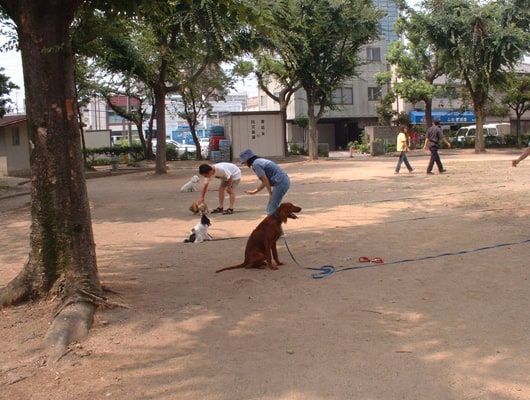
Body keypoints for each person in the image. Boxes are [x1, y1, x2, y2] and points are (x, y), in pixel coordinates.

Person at [239, 148, 290, 215]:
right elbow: (265, 180)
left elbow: (265, 179)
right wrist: (255, 191)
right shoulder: (259, 161)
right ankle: (276, 222)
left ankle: (273, 224)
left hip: (280, 182)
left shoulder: (256, 164)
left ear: (248, 159)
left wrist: (270, 193)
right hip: (283, 181)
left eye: (244, 162)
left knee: (271, 208)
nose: (244, 164)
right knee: (272, 206)